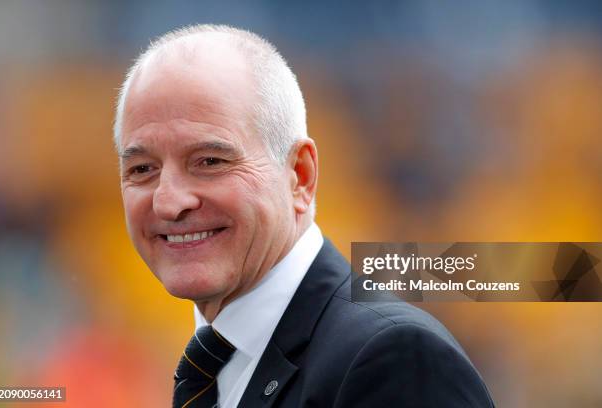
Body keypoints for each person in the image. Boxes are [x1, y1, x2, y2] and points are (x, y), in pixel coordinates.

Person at [114, 24, 495, 408]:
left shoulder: (394, 360)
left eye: (210, 161)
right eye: (142, 169)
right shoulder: (218, 364)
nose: (168, 202)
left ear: (300, 175)